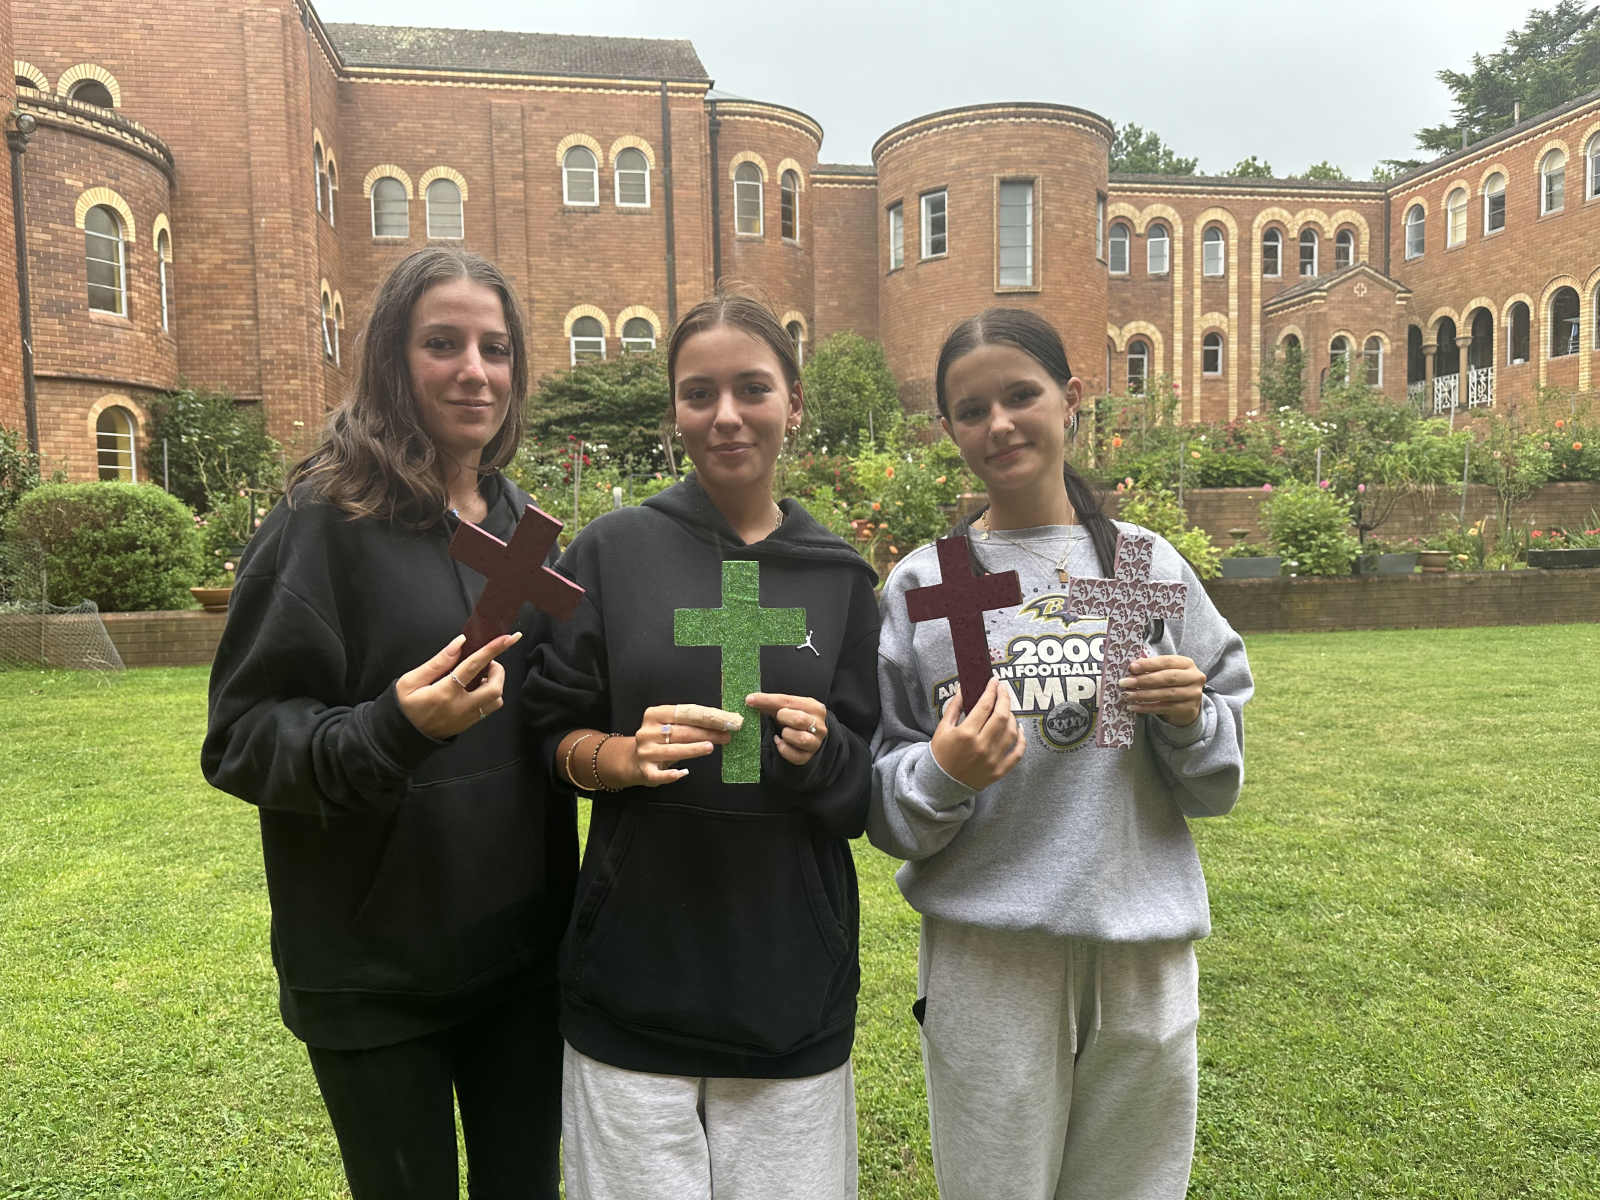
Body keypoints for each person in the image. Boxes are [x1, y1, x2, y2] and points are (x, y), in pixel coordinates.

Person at [202, 246, 574, 1199]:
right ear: (390, 360)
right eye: (441, 343)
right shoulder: (322, 521)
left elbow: (548, 714)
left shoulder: (521, 526)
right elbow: (241, 738)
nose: (474, 370)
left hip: (521, 959)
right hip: (374, 971)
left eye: (495, 348)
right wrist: (391, 728)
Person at [868, 308, 1253, 1200]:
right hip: (988, 963)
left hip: (1141, 957)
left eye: (1021, 395)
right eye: (972, 410)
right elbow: (886, 794)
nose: (999, 424)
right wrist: (942, 774)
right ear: (949, 429)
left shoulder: (1145, 567)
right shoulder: (930, 584)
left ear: (1071, 398)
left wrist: (1191, 717)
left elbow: (1217, 779)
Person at [525, 288, 880, 1200]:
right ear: (674, 411)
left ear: (793, 403)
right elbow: (546, 730)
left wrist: (822, 753)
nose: (726, 415)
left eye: (752, 388)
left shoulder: (841, 578)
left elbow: (862, 788)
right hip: (635, 971)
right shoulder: (609, 553)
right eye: (699, 393)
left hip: (786, 980)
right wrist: (616, 758)